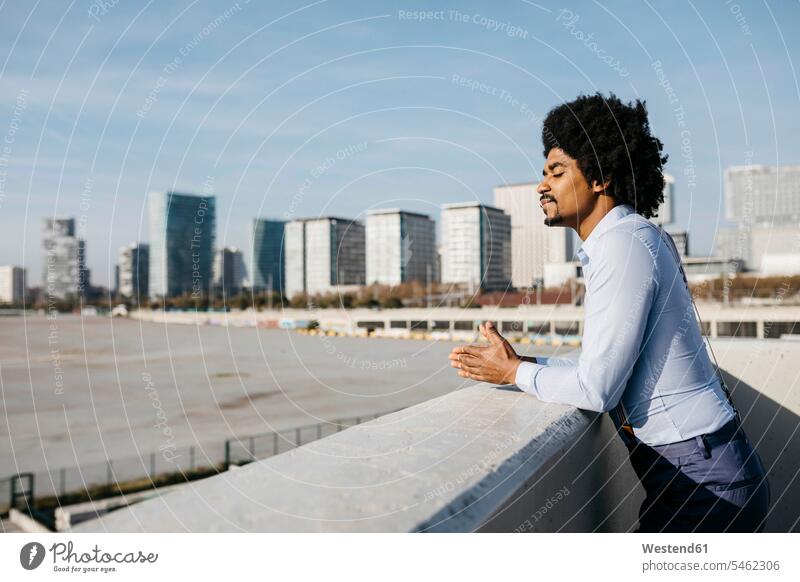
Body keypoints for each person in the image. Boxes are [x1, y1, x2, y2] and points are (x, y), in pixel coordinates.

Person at [448, 93, 770, 533]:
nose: (542, 186)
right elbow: (600, 366)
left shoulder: (624, 245)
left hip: (704, 485)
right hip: (699, 473)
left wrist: (512, 375)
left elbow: (597, 388)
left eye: (557, 172)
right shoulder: (625, 240)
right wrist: (519, 363)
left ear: (599, 177)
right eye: (543, 174)